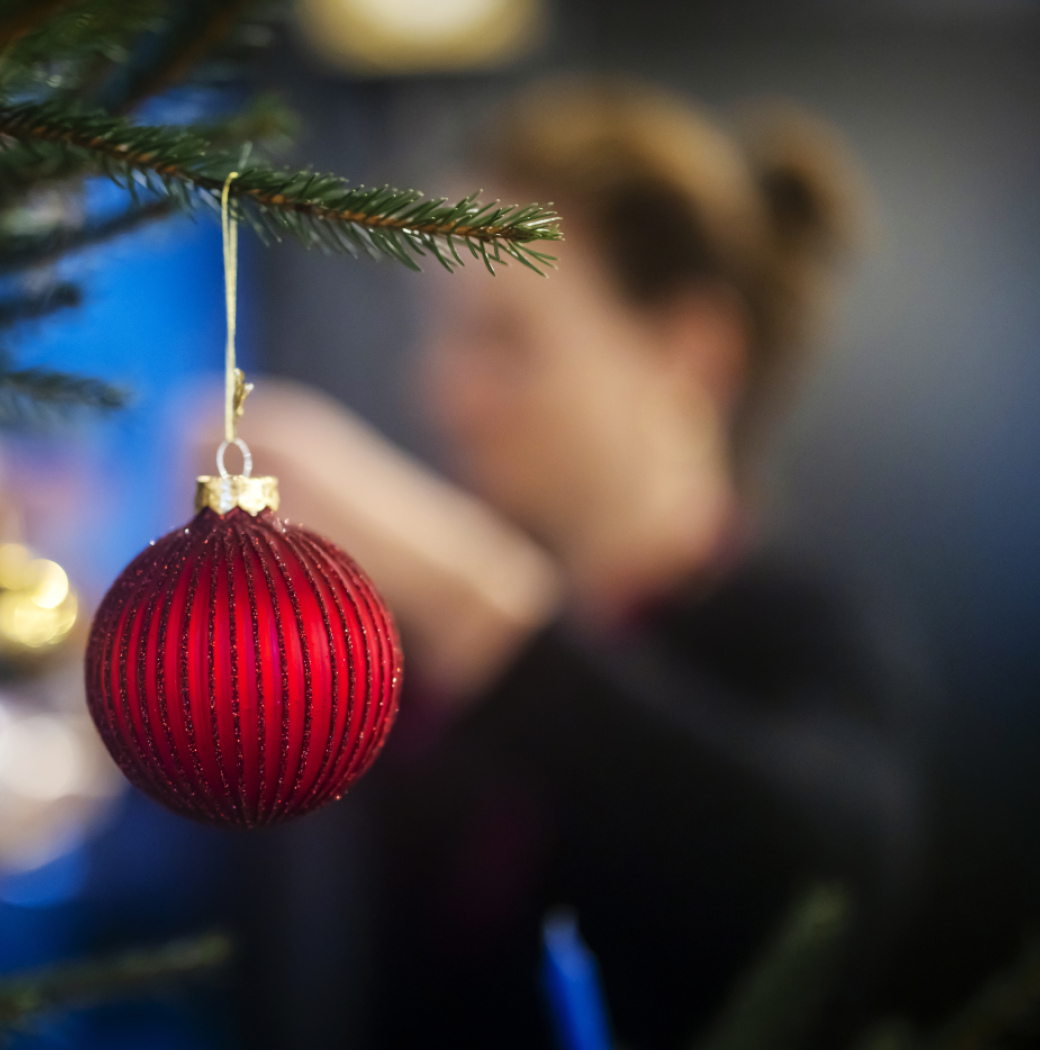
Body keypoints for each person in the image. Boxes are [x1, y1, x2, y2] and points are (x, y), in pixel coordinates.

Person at [220, 78, 925, 1049]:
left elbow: (812, 889)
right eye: (441, 334)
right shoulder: (415, 655)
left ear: (692, 352)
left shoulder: (800, 626)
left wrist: (461, 589)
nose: (441, 389)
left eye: (503, 339)